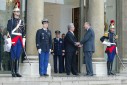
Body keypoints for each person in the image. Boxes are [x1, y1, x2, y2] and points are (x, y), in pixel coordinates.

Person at [7, 6, 25, 77]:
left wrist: (23, 40)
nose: (18, 13)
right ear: (14, 12)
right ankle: (13, 71)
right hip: (14, 39)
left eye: (19, 11)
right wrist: (10, 40)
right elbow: (8, 31)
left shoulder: (22, 21)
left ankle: (17, 71)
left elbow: (23, 32)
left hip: (19, 40)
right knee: (13, 55)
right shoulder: (10, 21)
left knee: (18, 56)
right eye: (17, 11)